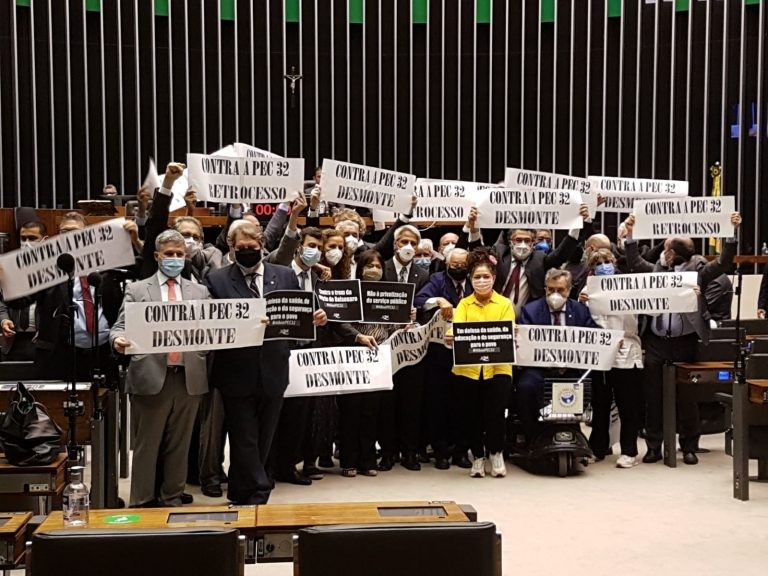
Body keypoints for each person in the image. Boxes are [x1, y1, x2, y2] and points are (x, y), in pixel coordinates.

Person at [205, 222, 327, 504]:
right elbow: (213, 323)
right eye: (241, 249)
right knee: (243, 435)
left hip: (274, 367)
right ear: (232, 249)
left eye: (253, 247)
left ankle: (240, 490)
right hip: (236, 370)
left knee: (264, 436)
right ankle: (260, 489)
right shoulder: (217, 280)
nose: (248, 252)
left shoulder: (284, 275)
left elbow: (302, 316)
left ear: (262, 245)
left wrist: (315, 319)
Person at [623, 211, 741, 465]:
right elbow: (634, 263)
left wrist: (731, 233)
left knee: (687, 396)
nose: (662, 250)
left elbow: (722, 263)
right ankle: (654, 446)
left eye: (665, 247)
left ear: (672, 253)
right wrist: (630, 236)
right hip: (656, 342)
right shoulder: (655, 270)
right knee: (653, 396)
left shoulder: (697, 271)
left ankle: (689, 446)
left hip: (685, 342)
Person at [111, 229, 210, 507]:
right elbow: (120, 326)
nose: (175, 258)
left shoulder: (200, 291)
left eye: (180, 254)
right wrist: (117, 339)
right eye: (169, 254)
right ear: (157, 256)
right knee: (147, 445)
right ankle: (141, 500)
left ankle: (172, 497)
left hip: (188, 376)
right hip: (151, 376)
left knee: (180, 445)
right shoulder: (137, 289)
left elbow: (216, 327)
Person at [2, 212, 126, 382]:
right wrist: (5, 278)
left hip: (103, 351)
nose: (69, 236)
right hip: (61, 353)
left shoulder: (107, 265)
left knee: (103, 403)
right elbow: (19, 302)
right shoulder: (47, 269)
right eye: (64, 232)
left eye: (74, 231)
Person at [445, 248, 515, 478]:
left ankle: (496, 453)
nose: (482, 281)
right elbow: (457, 329)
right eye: (477, 277)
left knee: (495, 414)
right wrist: (451, 336)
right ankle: (478, 457)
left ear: (494, 278)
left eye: (486, 277)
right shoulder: (464, 304)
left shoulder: (505, 304)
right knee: (471, 415)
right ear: (470, 279)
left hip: (499, 370)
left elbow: (506, 332)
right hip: (467, 371)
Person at [516, 269, 600, 445]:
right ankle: (534, 437)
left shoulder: (580, 311)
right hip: (540, 369)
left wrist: (612, 342)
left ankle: (572, 429)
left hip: (571, 369)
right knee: (525, 387)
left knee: (588, 384)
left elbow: (594, 336)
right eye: (550, 289)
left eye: (560, 290)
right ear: (545, 289)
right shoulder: (530, 310)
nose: (555, 294)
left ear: (569, 290)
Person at [579, 248, 643, 468]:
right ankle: (598, 448)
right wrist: (583, 302)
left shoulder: (628, 286)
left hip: (627, 351)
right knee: (600, 404)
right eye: (598, 263)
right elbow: (585, 321)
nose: (604, 266)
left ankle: (629, 451)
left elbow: (651, 308)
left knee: (628, 405)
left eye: (607, 261)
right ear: (592, 268)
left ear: (614, 264)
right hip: (600, 354)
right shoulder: (587, 291)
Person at [414, 247, 473, 469]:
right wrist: (438, 300)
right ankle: (440, 452)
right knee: (438, 404)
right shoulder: (437, 279)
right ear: (447, 264)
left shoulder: (475, 280)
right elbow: (420, 300)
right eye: (454, 265)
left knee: (464, 405)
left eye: (462, 265)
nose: (458, 269)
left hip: (467, 353)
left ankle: (460, 451)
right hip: (440, 353)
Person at [378, 225, 430, 471]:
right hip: (385, 344)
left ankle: (410, 452)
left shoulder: (423, 273)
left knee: (412, 400)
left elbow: (427, 306)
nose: (408, 246)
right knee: (387, 400)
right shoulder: (382, 267)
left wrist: (416, 314)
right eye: (403, 241)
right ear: (396, 244)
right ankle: (387, 452)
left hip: (412, 346)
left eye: (413, 242)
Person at [0, 220, 48, 361]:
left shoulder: (53, 271)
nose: (26, 243)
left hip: (42, 341)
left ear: (44, 241)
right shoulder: (8, 269)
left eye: (32, 238)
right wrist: (3, 320)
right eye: (23, 238)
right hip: (13, 340)